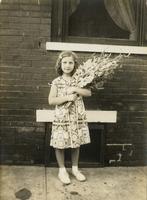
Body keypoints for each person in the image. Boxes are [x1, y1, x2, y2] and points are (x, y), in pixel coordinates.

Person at [48, 51, 91, 184]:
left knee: (75, 143)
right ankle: (62, 170)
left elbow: (88, 93)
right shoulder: (56, 82)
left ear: (74, 64)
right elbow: (51, 101)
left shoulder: (79, 80)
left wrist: (75, 89)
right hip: (62, 117)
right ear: (60, 64)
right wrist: (67, 97)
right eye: (65, 62)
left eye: (70, 62)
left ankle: (75, 169)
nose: (67, 65)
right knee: (60, 144)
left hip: (77, 116)